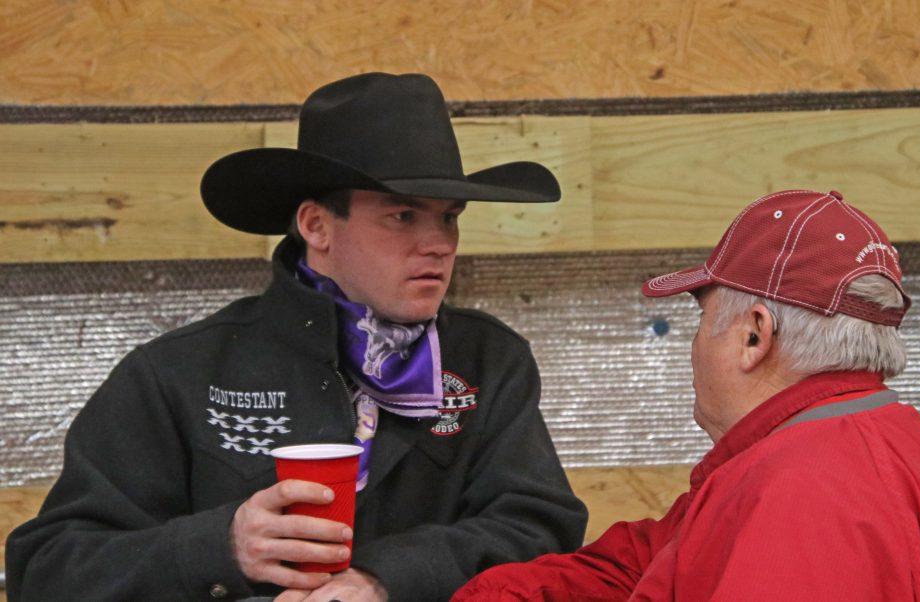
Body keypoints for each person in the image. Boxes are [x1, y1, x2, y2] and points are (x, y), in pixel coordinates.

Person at [6, 73, 587, 602]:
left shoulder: (490, 362)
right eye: (403, 216)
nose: (438, 243)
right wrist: (222, 549)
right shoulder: (178, 372)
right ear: (316, 225)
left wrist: (385, 580)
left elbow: (541, 530)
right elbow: (49, 568)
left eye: (450, 217)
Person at [453, 189, 920, 601]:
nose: (694, 347)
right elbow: (650, 562)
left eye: (702, 320)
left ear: (753, 336)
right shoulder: (857, 437)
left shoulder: (801, 498)